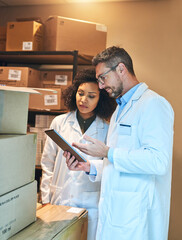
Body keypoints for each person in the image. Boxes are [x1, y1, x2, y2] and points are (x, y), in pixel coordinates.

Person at [64, 46, 174, 240]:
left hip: (137, 219)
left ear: (121, 69)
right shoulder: (119, 110)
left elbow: (158, 160)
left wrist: (107, 152)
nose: (99, 86)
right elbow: (121, 161)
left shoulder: (153, 104)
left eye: (102, 78)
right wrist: (90, 166)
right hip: (117, 215)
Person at [40, 68, 116, 240]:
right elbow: (47, 163)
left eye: (91, 96)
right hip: (60, 200)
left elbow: (109, 167)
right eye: (80, 93)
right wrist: (45, 197)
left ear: (101, 98)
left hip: (91, 204)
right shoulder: (59, 122)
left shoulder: (106, 129)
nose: (84, 100)